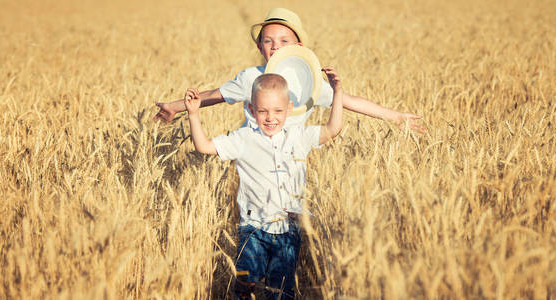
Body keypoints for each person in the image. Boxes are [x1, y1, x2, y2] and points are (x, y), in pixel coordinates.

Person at [183, 68, 343, 299]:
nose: (270, 117)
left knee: (280, 290)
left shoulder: (298, 137)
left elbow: (332, 129)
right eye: (263, 111)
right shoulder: (243, 139)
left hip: (288, 229)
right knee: (245, 279)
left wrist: (337, 92)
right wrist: (193, 115)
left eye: (278, 110)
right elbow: (204, 146)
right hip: (253, 228)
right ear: (251, 109)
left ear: (289, 109)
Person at [154, 7, 425, 133]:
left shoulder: (308, 84)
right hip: (253, 160)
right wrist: (174, 107)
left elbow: (349, 101)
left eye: (284, 41)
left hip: (291, 166)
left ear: (298, 47)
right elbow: (214, 95)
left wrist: (396, 117)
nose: (275, 47)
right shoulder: (251, 78)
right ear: (260, 47)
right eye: (268, 41)